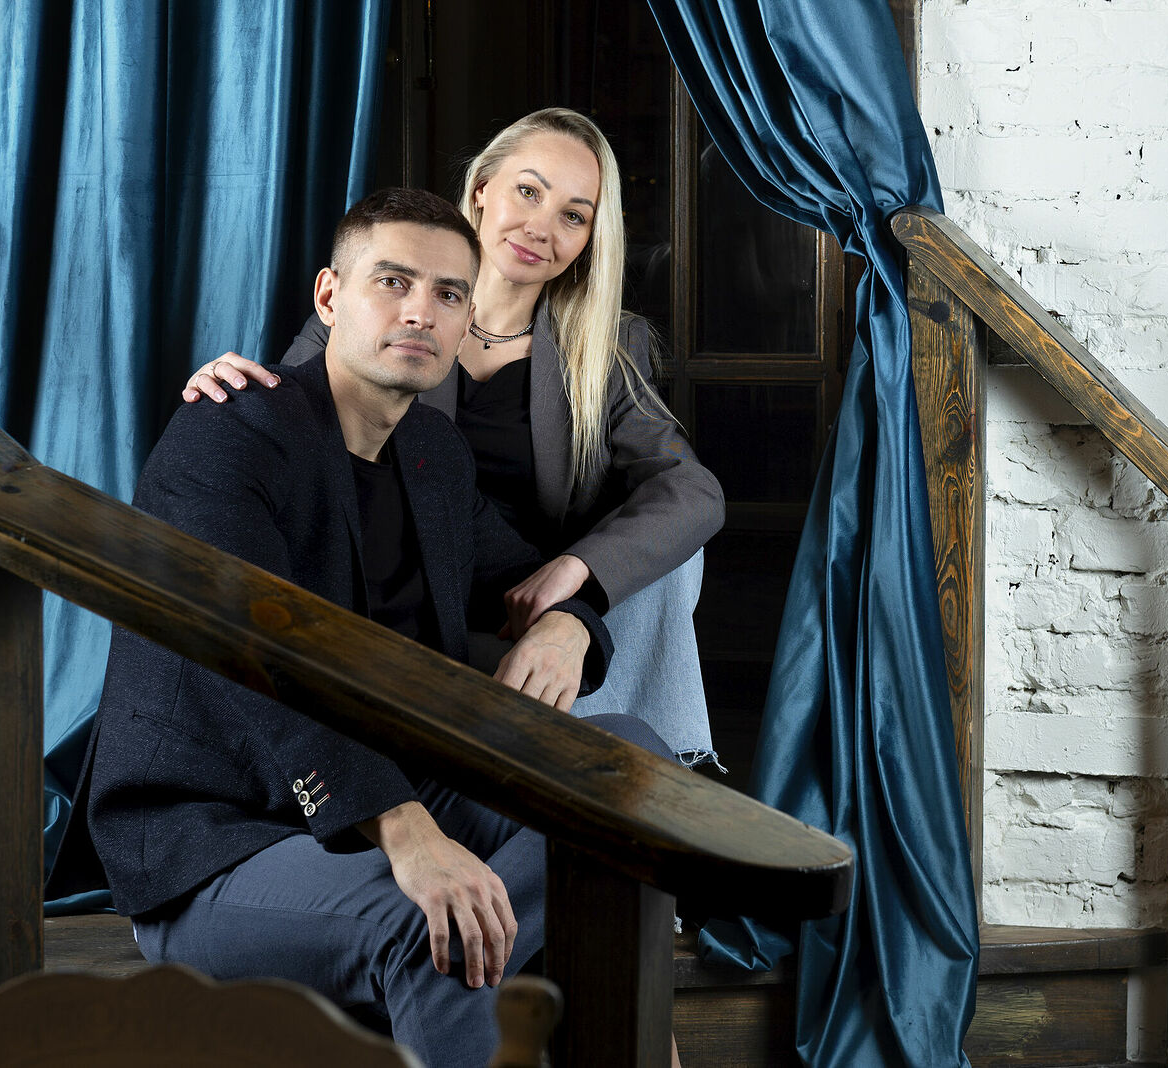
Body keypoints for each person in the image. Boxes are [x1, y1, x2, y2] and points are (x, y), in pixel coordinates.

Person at [48, 188, 674, 1067]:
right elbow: (258, 661)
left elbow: (520, 577)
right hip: (221, 838)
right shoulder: (229, 433)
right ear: (330, 296)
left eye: (450, 294)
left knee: (636, 770)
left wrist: (567, 624)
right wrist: (410, 837)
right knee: (436, 931)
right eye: (393, 281)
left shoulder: (433, 454)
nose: (422, 311)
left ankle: (543, 950)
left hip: (411, 787)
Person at [184, 108, 726, 767]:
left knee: (676, 555)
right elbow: (296, 406)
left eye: (573, 215)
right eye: (528, 191)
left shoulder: (608, 345)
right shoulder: (386, 305)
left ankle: (640, 767)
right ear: (481, 190)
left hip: (520, 595)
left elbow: (690, 488)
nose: (541, 228)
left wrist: (577, 577)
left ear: (590, 238)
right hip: (393, 584)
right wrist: (234, 391)